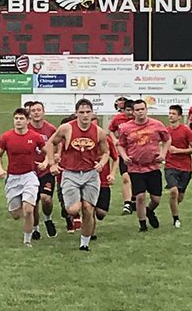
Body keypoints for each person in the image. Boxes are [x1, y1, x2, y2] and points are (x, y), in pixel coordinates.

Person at [45, 98, 110, 252]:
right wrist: (52, 163)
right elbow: (50, 143)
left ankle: (84, 243)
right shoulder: (66, 128)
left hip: (90, 174)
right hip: (70, 173)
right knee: (73, 210)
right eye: (82, 112)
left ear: (92, 113)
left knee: (88, 209)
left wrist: (101, 163)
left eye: (88, 112)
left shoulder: (99, 132)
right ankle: (76, 204)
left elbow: (106, 152)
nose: (85, 115)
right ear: (76, 113)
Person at [116, 99, 171, 232]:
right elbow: (120, 144)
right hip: (135, 167)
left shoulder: (156, 125)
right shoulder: (126, 128)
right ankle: (142, 224)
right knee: (140, 196)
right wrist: (124, 157)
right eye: (137, 110)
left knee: (156, 199)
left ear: (146, 110)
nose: (140, 112)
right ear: (133, 112)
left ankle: (149, 211)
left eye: (142, 109)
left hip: (153, 166)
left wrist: (163, 153)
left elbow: (167, 139)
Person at [0, 108, 47, 247]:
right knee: (15, 214)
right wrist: (0, 168)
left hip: (29, 176)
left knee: (29, 209)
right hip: (12, 177)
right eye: (16, 118)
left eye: (21, 118)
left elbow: (48, 151)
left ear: (28, 121)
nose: (18, 121)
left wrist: (46, 162)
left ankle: (27, 240)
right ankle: (25, 220)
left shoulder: (35, 137)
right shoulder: (6, 137)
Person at [27, 100, 59, 238]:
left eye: (38, 110)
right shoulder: (26, 129)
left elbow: (56, 147)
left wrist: (50, 160)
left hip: (46, 171)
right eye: (33, 110)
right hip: (30, 171)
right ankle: (35, 228)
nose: (36, 113)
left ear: (43, 112)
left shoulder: (51, 129)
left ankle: (48, 219)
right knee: (33, 201)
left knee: (45, 198)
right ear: (30, 113)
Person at [164, 104, 192, 228]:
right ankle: (176, 219)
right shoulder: (165, 131)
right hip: (170, 165)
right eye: (169, 113)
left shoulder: (186, 130)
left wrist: (178, 150)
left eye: (173, 114)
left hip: (185, 167)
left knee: (180, 196)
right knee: (173, 191)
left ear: (179, 116)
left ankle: (174, 207)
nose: (170, 116)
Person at [108, 97, 135, 215]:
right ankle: (127, 204)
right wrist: (114, 140)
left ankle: (134, 199)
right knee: (125, 177)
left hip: (136, 153)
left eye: (132, 110)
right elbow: (110, 130)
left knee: (135, 179)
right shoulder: (118, 119)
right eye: (127, 110)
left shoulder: (138, 120)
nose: (130, 113)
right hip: (123, 153)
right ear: (123, 110)